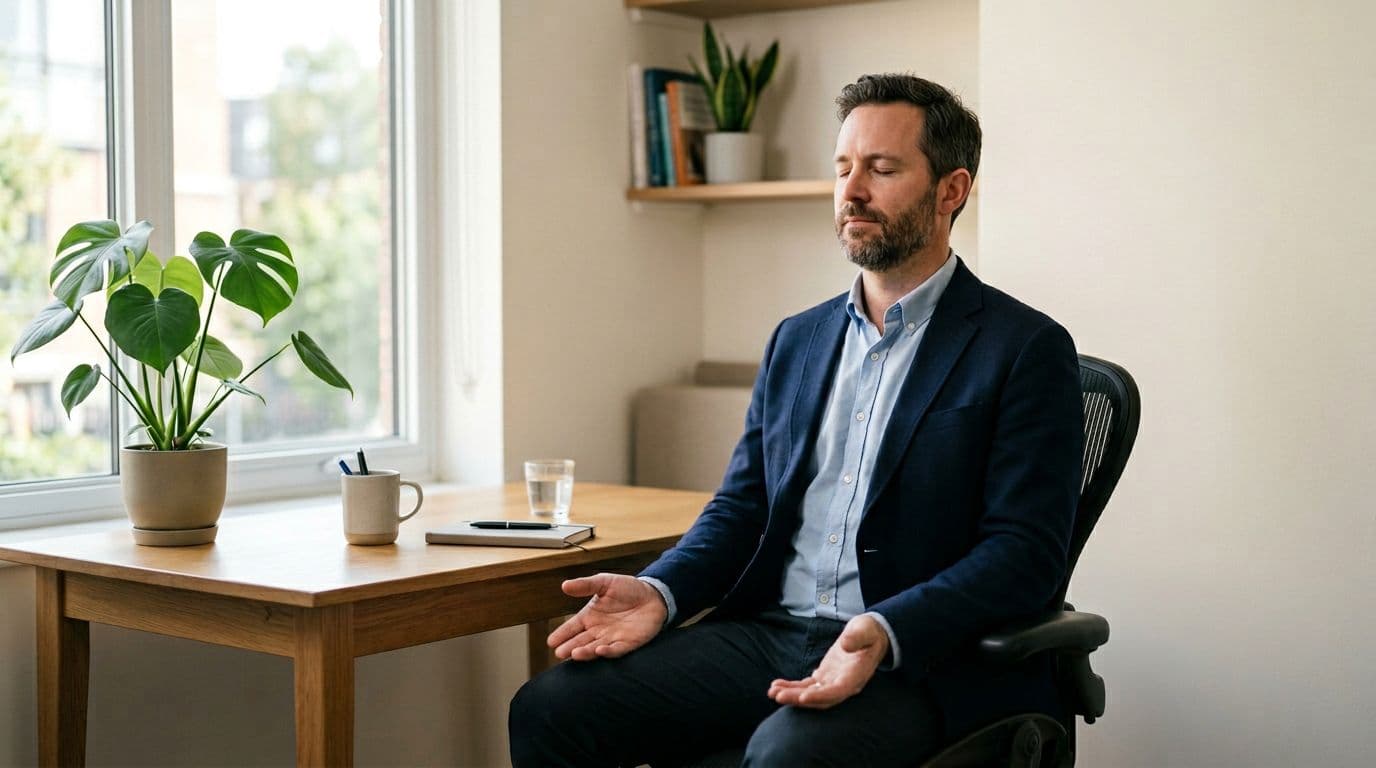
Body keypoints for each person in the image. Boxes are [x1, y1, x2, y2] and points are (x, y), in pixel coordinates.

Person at [508, 73, 1084, 767]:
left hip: (920, 655)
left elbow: (1024, 554)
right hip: (770, 632)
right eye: (843, 167)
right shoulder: (798, 341)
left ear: (951, 190)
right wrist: (662, 591)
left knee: (790, 757)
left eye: (882, 168)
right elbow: (742, 508)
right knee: (551, 710)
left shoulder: (1024, 347)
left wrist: (886, 625)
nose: (852, 190)